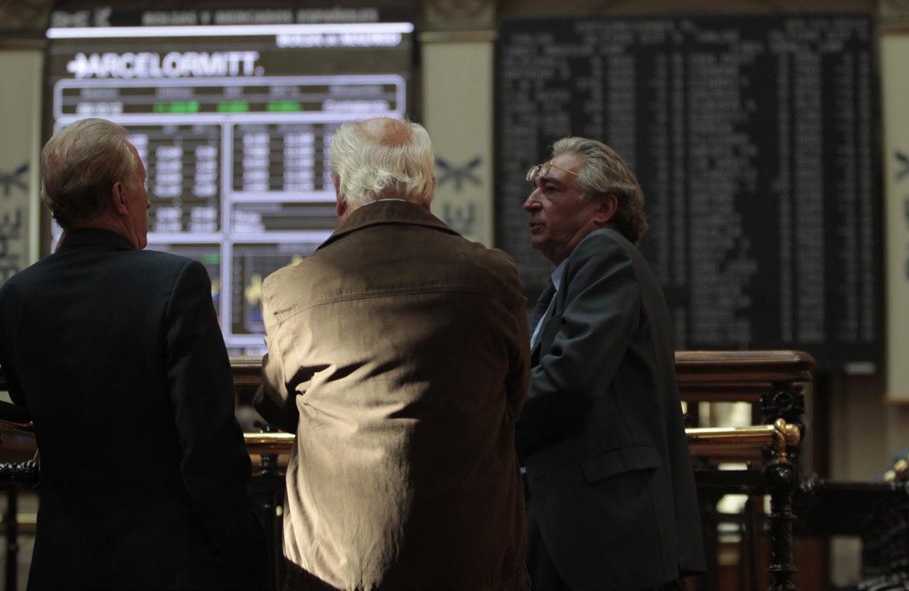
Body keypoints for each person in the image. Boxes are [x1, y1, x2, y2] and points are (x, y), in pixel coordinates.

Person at [255, 117, 530, 591]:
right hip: (473, 564)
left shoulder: (291, 289)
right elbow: (516, 394)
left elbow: (278, 406)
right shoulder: (493, 277)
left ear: (339, 192)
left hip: (338, 570)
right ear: (429, 188)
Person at [0, 118, 263, 590]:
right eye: (142, 184)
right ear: (119, 197)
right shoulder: (175, 284)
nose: (148, 200)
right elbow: (208, 447)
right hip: (165, 566)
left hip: (61, 566)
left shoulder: (15, 299)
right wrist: (247, 550)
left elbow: (24, 404)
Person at [515, 136, 705, 591]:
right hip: (589, 526)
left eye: (550, 189)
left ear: (603, 208)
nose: (530, 202)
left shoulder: (604, 254)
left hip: (603, 529)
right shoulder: (578, 270)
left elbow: (569, 379)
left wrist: (483, 417)